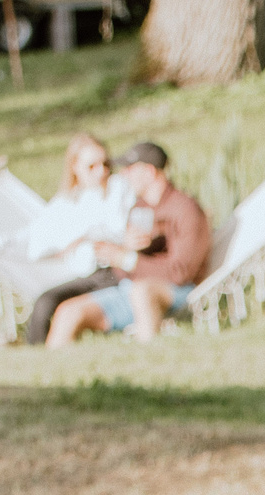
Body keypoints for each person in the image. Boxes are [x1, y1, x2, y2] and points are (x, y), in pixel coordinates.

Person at [44, 142, 213, 346]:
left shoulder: (186, 210)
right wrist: (122, 252)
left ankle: (148, 365)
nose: (123, 175)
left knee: (142, 292)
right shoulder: (139, 208)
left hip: (176, 292)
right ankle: (52, 376)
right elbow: (124, 270)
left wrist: (128, 259)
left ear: (149, 172)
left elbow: (181, 273)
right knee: (67, 312)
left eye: (130, 169)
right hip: (131, 289)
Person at [12, 135, 137, 345]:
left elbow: (121, 230)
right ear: (75, 167)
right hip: (87, 274)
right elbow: (33, 237)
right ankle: (34, 360)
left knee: (63, 309)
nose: (102, 171)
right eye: (92, 166)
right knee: (44, 303)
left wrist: (86, 235)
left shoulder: (119, 188)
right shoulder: (66, 202)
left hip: (116, 270)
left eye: (105, 164)